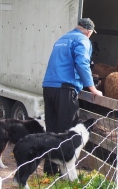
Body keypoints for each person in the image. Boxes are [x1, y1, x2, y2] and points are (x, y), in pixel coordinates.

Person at [42, 18, 103, 175]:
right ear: (89, 32)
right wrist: (93, 89)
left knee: (52, 129)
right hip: (65, 88)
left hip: (49, 86)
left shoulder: (63, 38)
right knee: (67, 130)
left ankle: (50, 170)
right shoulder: (82, 40)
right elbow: (81, 63)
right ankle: (64, 171)